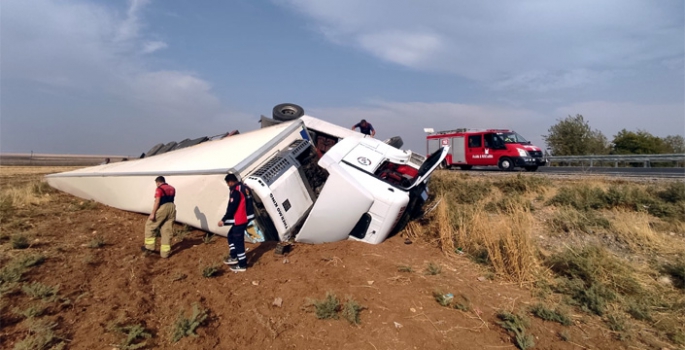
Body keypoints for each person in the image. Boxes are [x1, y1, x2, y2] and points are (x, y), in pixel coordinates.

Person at [218, 173, 254, 273]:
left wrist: (224, 220)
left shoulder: (236, 191)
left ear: (230, 182)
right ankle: (234, 255)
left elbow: (232, 207)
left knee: (238, 241)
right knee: (231, 235)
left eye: (227, 183)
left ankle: (242, 264)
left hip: (240, 219)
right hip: (246, 217)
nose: (228, 185)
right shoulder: (245, 187)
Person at [142, 176, 177, 258]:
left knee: (150, 225)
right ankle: (165, 254)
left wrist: (153, 213)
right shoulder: (172, 188)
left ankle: (149, 247)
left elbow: (157, 202)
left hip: (163, 207)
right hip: (172, 207)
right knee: (167, 230)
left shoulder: (159, 189)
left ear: (158, 182)